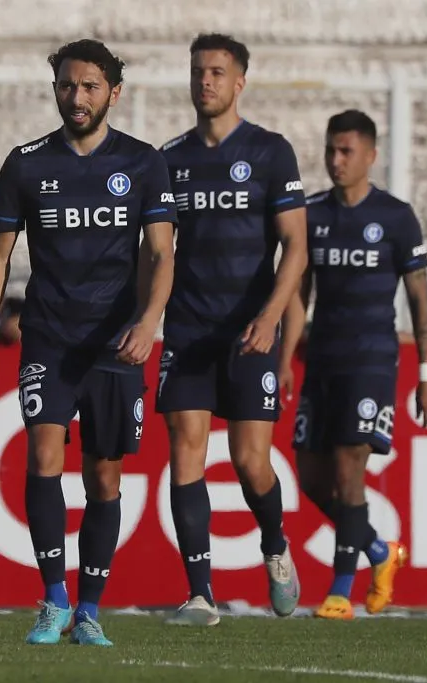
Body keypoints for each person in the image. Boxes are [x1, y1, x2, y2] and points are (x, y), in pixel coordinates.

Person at [0, 39, 177, 646]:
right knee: (43, 457)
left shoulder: (143, 163)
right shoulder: (26, 163)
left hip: (116, 345)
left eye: (89, 86)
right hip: (49, 338)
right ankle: (54, 600)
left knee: (104, 479)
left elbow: (162, 253)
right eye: (66, 85)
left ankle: (89, 610)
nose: (76, 96)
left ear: (115, 92)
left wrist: (149, 322)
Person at [156, 33, 308, 626]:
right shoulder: (170, 159)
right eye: (198, 70)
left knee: (250, 462)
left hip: (250, 332)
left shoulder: (271, 152)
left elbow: (296, 247)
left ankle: (275, 544)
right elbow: (156, 251)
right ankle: (201, 593)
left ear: (240, 81)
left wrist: (270, 317)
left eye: (217, 72)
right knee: (185, 447)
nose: (205, 81)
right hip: (188, 328)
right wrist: (146, 315)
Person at [284, 109, 427, 620]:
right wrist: (284, 358)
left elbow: (419, 301)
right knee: (311, 478)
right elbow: (299, 292)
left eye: (347, 151)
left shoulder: (396, 217)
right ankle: (379, 550)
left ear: (371, 156)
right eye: (331, 150)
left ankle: (340, 591)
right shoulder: (312, 213)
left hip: (371, 362)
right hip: (321, 362)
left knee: (350, 469)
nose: (337, 160)